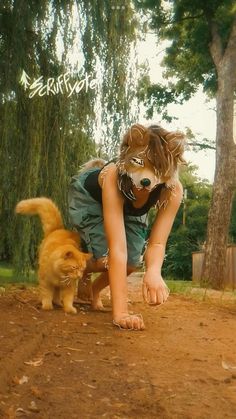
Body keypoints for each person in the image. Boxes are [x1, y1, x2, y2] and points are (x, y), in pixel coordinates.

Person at [68, 123, 185, 330]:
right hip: (91, 199)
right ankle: (78, 267)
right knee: (108, 258)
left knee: (131, 263)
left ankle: (94, 290)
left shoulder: (172, 190)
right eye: (140, 163)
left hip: (129, 209)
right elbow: (117, 249)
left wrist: (154, 271)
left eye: (156, 168)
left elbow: (157, 243)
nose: (147, 178)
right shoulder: (114, 175)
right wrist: (121, 314)